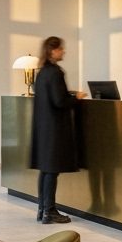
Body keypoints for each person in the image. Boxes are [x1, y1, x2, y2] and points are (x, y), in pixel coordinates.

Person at [30, 36, 82, 224]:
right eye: (61, 49)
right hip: (55, 129)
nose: (64, 51)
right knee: (51, 171)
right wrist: (77, 98)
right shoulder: (56, 73)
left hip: (43, 129)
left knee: (45, 170)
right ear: (53, 51)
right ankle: (50, 211)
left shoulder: (42, 72)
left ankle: (42, 209)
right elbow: (60, 101)